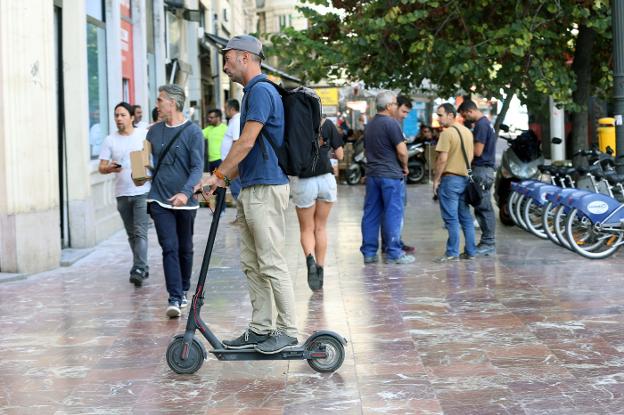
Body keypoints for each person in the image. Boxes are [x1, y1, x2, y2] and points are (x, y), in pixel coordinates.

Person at [197, 34, 298, 354]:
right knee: (252, 263)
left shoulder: (261, 91)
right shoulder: (254, 93)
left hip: (266, 189)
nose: (224, 64)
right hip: (253, 186)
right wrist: (224, 179)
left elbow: (246, 143)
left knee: (271, 261)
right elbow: (249, 153)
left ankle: (287, 329)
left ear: (244, 57)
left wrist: (217, 175)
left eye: (226, 57)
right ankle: (260, 327)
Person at [145, 84, 204, 318]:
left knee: (185, 249)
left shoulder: (193, 132)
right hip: (159, 199)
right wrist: (140, 175)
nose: (157, 104)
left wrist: (185, 192)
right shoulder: (153, 131)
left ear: (173, 103)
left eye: (160, 100)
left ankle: (184, 288)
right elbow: (145, 161)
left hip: (185, 201)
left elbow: (197, 166)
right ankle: (174, 296)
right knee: (169, 247)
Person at [98, 102, 150, 286]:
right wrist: (110, 168)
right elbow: (101, 167)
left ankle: (138, 267)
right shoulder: (109, 140)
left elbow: (153, 157)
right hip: (121, 193)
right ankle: (142, 265)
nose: (118, 119)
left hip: (142, 191)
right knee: (131, 234)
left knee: (140, 232)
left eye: (122, 115)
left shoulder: (143, 135)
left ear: (131, 117)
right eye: (116, 115)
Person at [360, 91, 415, 265]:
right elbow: (402, 151)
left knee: (371, 214)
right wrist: (405, 167)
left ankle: (369, 253)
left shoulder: (370, 124)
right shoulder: (391, 124)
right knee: (393, 212)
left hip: (372, 175)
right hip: (390, 175)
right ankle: (393, 252)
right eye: (395, 104)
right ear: (390, 106)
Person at [291, 116, 343, 291]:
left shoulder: (295, 124)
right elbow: (341, 154)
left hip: (304, 180)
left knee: (307, 228)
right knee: (320, 227)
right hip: (326, 178)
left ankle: (310, 260)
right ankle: (320, 268)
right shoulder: (327, 124)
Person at [432, 103, 476, 262]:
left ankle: (452, 252)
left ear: (451, 115)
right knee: (465, 217)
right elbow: (470, 157)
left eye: (440, 115)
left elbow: (442, 159)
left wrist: (436, 180)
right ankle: (471, 251)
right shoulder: (467, 132)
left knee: (451, 219)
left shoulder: (447, 134)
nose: (438, 118)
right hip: (465, 179)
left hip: (450, 180)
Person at [458, 99, 497, 256]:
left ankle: (488, 243)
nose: (464, 119)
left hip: (482, 170)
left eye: (464, 116)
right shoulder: (486, 123)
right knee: (481, 206)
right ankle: (487, 242)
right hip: (484, 170)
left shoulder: (481, 125)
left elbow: (477, 151)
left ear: (470, 111)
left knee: (484, 208)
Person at [222, 99, 242, 201]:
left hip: (232, 163)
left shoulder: (237, 120)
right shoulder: (233, 120)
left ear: (232, 109)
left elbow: (236, 142)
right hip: (228, 163)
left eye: (226, 108)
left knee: (236, 188)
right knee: (227, 185)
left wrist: (230, 162)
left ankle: (242, 213)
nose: (224, 111)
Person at [202, 109, 228, 173]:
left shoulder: (225, 129)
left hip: (221, 160)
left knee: (223, 180)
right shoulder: (209, 129)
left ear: (218, 118)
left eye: (211, 117)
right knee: (214, 182)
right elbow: (197, 135)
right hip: (211, 161)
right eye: (208, 117)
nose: (209, 119)